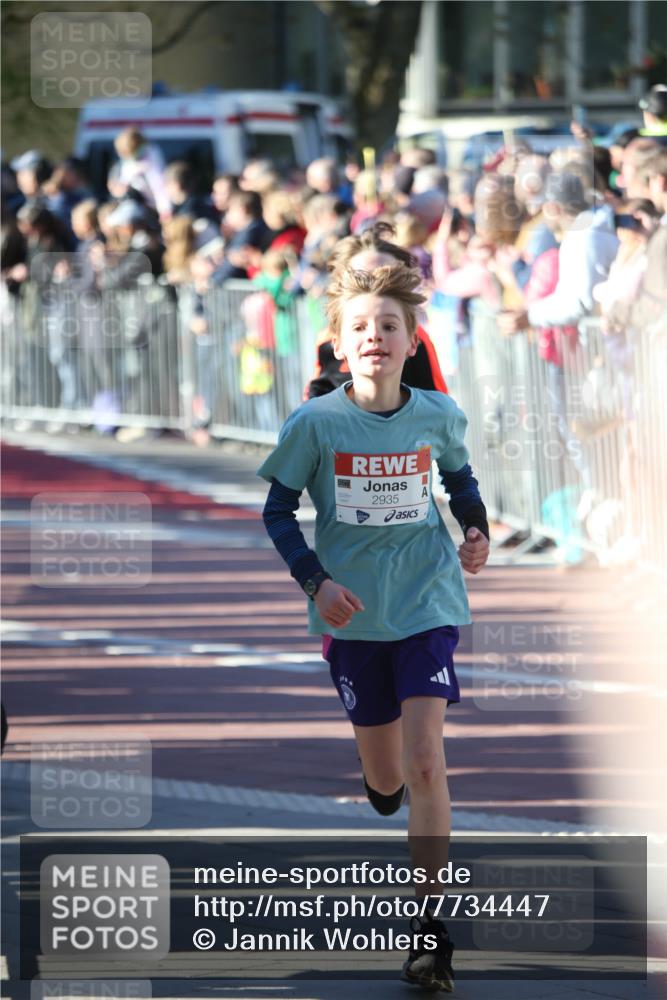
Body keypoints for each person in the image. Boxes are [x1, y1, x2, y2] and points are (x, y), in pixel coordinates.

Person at [258, 262, 490, 992]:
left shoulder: (436, 413)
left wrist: (475, 528)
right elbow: (276, 511)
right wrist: (316, 581)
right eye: (359, 327)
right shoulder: (315, 423)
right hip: (353, 614)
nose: (374, 337)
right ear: (338, 344)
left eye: (389, 326)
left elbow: (458, 478)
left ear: (411, 342)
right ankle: (379, 784)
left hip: (426, 600)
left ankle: (429, 929)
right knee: (388, 779)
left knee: (425, 762)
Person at [306, 222, 448, 398]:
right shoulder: (327, 339)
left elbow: (437, 401)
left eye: (387, 276)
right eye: (362, 276)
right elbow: (315, 392)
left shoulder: (414, 338)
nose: (374, 286)